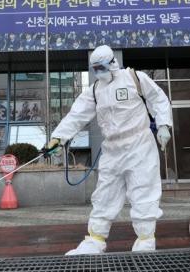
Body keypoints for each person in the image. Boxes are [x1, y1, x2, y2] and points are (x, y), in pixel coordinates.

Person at [45, 45, 172, 255]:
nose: (98, 72)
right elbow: (76, 116)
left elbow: (158, 99)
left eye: (101, 67)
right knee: (104, 194)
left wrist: (164, 125)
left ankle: (145, 240)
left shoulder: (135, 78)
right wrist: (58, 138)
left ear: (113, 63)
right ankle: (94, 240)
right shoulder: (95, 91)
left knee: (143, 192)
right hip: (112, 149)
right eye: (95, 68)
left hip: (139, 144)